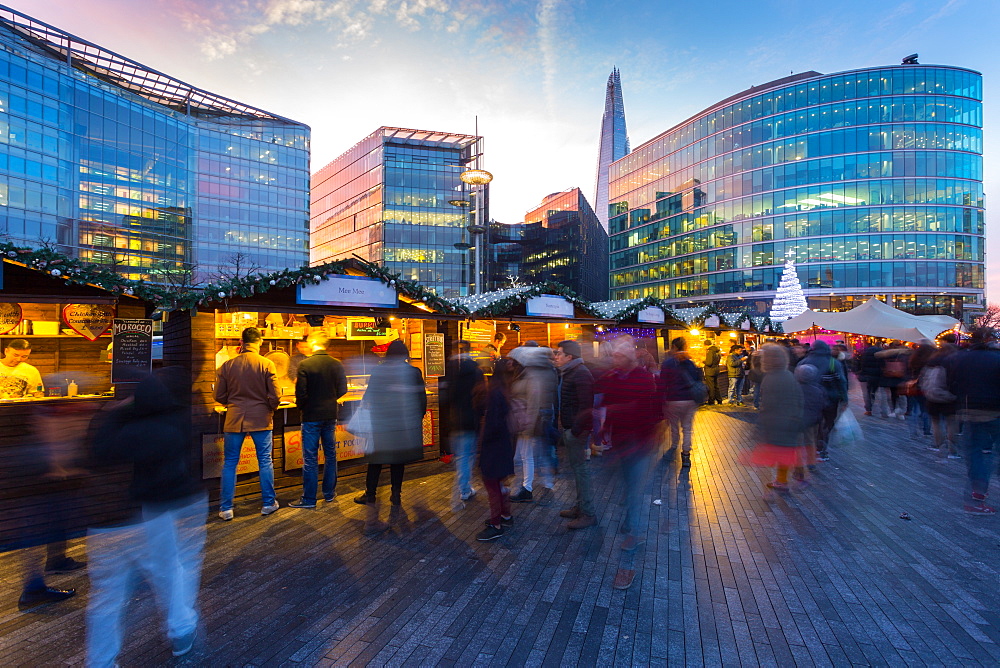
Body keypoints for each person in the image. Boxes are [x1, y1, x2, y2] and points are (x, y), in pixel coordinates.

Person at [87, 368, 207, 664]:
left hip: (117, 518)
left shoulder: (121, 430)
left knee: (107, 596)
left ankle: (101, 660)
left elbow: (98, 453)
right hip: (165, 508)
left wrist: (116, 413)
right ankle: (181, 630)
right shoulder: (176, 420)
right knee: (173, 571)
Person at [596, 335, 661, 552]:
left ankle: (636, 532)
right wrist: (604, 429)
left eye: (618, 356)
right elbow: (608, 402)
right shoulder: (614, 376)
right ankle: (631, 521)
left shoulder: (642, 379)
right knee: (626, 487)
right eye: (613, 355)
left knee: (634, 489)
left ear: (627, 358)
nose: (614, 359)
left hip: (640, 442)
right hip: (621, 442)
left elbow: (644, 410)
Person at [354, 340, 426, 533]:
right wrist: (414, 420)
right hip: (402, 425)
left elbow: (369, 397)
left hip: (381, 424)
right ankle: (396, 494)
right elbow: (421, 400)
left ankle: (370, 495)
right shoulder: (413, 372)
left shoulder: (378, 371)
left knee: (375, 462)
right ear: (405, 353)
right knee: (397, 462)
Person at [214, 327, 281, 521]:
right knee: (265, 461)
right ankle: (268, 503)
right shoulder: (267, 363)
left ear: (241, 342)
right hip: (261, 417)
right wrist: (270, 407)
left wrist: (231, 403)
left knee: (230, 463)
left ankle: (226, 508)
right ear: (260, 342)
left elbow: (218, 395)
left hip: (234, 418)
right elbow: (275, 395)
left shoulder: (227, 365)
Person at [945, 327, 1000, 514]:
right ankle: (978, 494)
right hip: (994, 410)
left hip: (969, 410)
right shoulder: (996, 358)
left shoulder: (960, 359)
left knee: (976, 453)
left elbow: (951, 385)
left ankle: (976, 494)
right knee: (987, 453)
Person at [289, 332, 347, 509]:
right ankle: (329, 494)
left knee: (310, 458)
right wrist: (330, 400)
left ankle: (309, 499)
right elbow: (343, 389)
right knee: (331, 455)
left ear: (313, 343)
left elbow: (300, 393)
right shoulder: (336, 364)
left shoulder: (305, 364)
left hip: (311, 416)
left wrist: (303, 406)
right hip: (330, 415)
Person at [743, 344, 804, 491]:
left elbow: (768, 405)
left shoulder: (771, 378)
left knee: (779, 451)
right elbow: (798, 398)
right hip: (790, 420)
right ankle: (787, 477)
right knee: (786, 449)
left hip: (777, 422)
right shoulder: (788, 374)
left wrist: (761, 426)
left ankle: (785, 479)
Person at [553, 340, 596, 530]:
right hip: (572, 428)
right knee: (578, 471)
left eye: (559, 353)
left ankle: (588, 513)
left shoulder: (580, 373)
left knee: (581, 471)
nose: (556, 357)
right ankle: (580, 507)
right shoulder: (570, 372)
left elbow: (586, 406)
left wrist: (576, 430)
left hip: (576, 431)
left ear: (569, 356)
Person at [507, 345, 557, 503]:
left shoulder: (530, 376)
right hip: (524, 420)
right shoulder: (523, 374)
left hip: (529, 421)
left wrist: (528, 427)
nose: (509, 363)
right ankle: (525, 485)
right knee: (523, 455)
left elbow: (534, 402)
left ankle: (527, 488)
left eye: (512, 361)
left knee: (527, 456)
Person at [477, 358, 517, 541]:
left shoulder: (494, 392)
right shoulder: (507, 389)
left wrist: (483, 442)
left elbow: (492, 422)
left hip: (494, 445)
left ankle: (496, 525)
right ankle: (505, 515)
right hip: (505, 443)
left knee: (492, 483)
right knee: (500, 483)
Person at [443, 340, 486, 504]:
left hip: (455, 419)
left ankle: (464, 487)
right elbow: (481, 398)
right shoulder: (476, 372)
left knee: (461, 457)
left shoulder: (451, 371)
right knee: (468, 456)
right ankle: (465, 489)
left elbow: (447, 397)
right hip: (471, 419)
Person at [797, 340, 847, 462]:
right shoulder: (833, 363)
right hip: (831, 399)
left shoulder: (804, 361)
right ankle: (821, 449)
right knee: (826, 425)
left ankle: (811, 448)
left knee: (813, 424)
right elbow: (841, 381)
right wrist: (844, 398)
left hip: (810, 399)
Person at [658, 337, 701, 465]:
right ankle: (686, 455)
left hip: (673, 399)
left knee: (674, 426)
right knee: (687, 429)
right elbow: (697, 378)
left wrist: (662, 400)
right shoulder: (690, 362)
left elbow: (662, 382)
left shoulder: (668, 363)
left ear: (674, 347)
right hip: (689, 399)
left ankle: (674, 445)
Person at [876, 342, 910, 419]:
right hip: (901, 377)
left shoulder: (886, 354)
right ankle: (902, 412)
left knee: (893, 395)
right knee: (902, 395)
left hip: (890, 376)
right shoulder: (905, 355)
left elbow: (880, 363)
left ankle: (894, 410)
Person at [858, 342, 883, 416]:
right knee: (875, 390)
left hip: (865, 375)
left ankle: (868, 409)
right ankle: (874, 399)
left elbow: (859, 364)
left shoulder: (864, 354)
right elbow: (883, 365)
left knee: (866, 392)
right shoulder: (880, 354)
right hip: (877, 375)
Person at [702, 340, 722, 405]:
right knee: (716, 386)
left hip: (710, 371)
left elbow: (709, 362)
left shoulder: (710, 351)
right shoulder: (717, 350)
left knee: (711, 386)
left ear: (705, 345)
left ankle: (711, 401)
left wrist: (703, 361)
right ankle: (719, 400)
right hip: (716, 370)